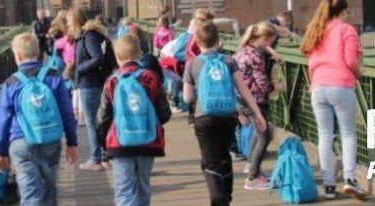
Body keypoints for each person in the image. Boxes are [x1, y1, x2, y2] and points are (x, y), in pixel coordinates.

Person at [183, 21, 267, 206]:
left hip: (204, 117)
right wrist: (258, 114)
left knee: (210, 160)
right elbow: (243, 89)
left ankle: (218, 200)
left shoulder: (193, 63)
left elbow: (187, 97)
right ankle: (226, 198)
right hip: (228, 117)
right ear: (218, 40)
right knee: (224, 156)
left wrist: (202, 97)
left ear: (197, 41)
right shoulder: (229, 61)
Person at [0, 33, 79, 206]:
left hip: (21, 142)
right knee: (49, 191)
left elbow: (2, 119)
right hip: (50, 139)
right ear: (39, 52)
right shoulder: (54, 76)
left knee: (30, 193)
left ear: (16, 56)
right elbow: (67, 111)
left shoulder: (11, 83)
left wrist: (0, 152)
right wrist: (72, 142)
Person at [299, 0, 366, 199]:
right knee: (347, 133)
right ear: (342, 11)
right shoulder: (346, 30)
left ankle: (328, 185)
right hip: (341, 85)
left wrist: (314, 82)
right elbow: (350, 60)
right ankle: (349, 179)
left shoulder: (315, 30)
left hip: (318, 87)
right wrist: (359, 73)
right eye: (347, 12)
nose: (348, 15)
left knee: (325, 135)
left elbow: (310, 61)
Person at [97, 35, 171, 206]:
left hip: (119, 144)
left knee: (124, 191)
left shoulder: (112, 81)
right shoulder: (151, 78)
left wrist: (104, 144)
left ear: (117, 56)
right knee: (143, 188)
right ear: (140, 53)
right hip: (148, 143)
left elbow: (102, 118)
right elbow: (165, 113)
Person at [233, 22, 282, 190]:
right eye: (270, 42)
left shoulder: (243, 49)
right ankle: (252, 177)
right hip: (253, 100)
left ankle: (251, 166)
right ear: (263, 38)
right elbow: (263, 84)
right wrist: (276, 86)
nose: (270, 46)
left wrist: (272, 52)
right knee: (264, 136)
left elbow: (262, 48)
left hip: (240, 98)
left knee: (258, 132)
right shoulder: (256, 57)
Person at [70, 8, 112, 171]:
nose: (67, 25)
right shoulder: (84, 36)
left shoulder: (88, 36)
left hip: (90, 83)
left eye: (68, 21)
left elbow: (97, 58)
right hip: (89, 82)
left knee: (92, 122)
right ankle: (103, 156)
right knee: (96, 121)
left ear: (74, 21)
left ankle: (96, 159)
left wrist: (79, 69)